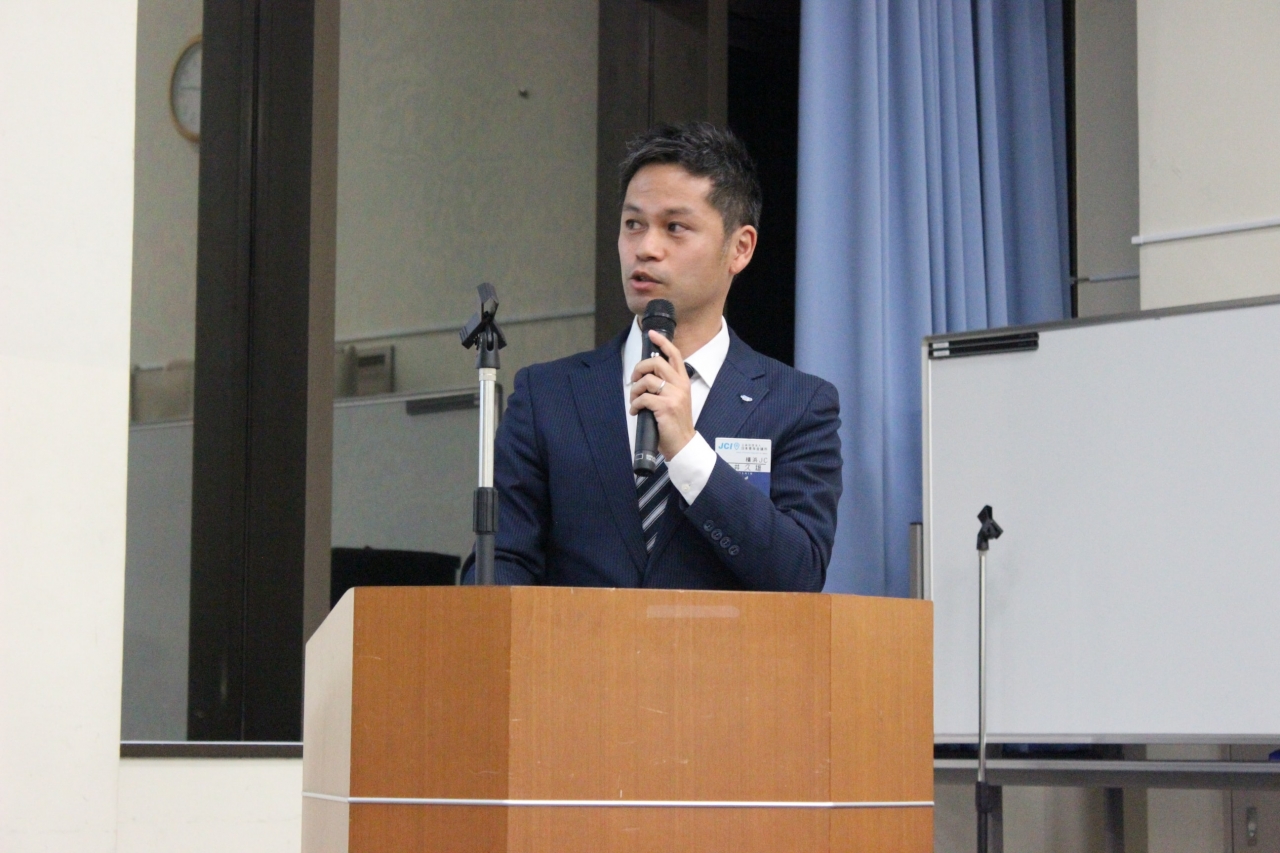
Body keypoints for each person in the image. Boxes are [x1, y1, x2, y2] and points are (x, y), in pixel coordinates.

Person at [465, 122, 841, 590]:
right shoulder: (548, 396)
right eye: (633, 224)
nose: (645, 248)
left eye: (675, 227)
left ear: (740, 248)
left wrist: (687, 452)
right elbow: (499, 563)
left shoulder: (797, 404)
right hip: (574, 640)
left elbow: (799, 574)